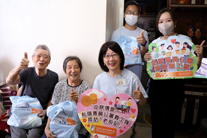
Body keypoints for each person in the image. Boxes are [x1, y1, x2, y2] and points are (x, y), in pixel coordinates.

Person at [144, 8, 205, 138]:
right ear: (157, 25)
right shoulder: (155, 44)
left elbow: (195, 67)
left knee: (169, 124)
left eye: (168, 20)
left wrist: (199, 56)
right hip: (156, 87)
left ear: (175, 22)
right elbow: (151, 68)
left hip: (174, 88)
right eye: (160, 21)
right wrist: (147, 59)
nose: (164, 24)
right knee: (157, 124)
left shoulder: (185, 41)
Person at [93, 41, 148, 138]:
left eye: (114, 55)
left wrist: (141, 97)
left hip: (123, 123)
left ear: (120, 57)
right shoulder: (99, 79)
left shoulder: (131, 77)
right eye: (107, 56)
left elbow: (143, 103)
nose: (111, 59)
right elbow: (94, 104)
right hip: (104, 122)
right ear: (103, 59)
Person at [6, 45, 59, 138]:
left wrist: (46, 111)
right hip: (21, 113)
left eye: (45, 56)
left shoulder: (53, 77)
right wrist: (19, 67)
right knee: (19, 136)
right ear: (32, 58)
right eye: (38, 56)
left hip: (38, 115)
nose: (41, 59)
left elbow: (53, 98)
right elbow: (9, 81)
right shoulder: (26, 72)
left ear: (49, 61)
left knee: (33, 136)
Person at [44, 56, 91, 138]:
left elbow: (87, 115)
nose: (73, 70)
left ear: (80, 70)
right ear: (65, 70)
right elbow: (53, 109)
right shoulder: (59, 86)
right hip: (58, 128)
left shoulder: (86, 87)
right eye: (69, 67)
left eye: (76, 67)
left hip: (78, 130)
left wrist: (77, 101)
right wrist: (47, 128)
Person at [111, 0, 149, 79]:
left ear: (138, 16)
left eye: (135, 13)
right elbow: (112, 54)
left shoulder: (143, 33)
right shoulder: (117, 33)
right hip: (119, 70)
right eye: (129, 12)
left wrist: (143, 44)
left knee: (134, 90)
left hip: (136, 70)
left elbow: (143, 55)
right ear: (124, 15)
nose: (131, 15)